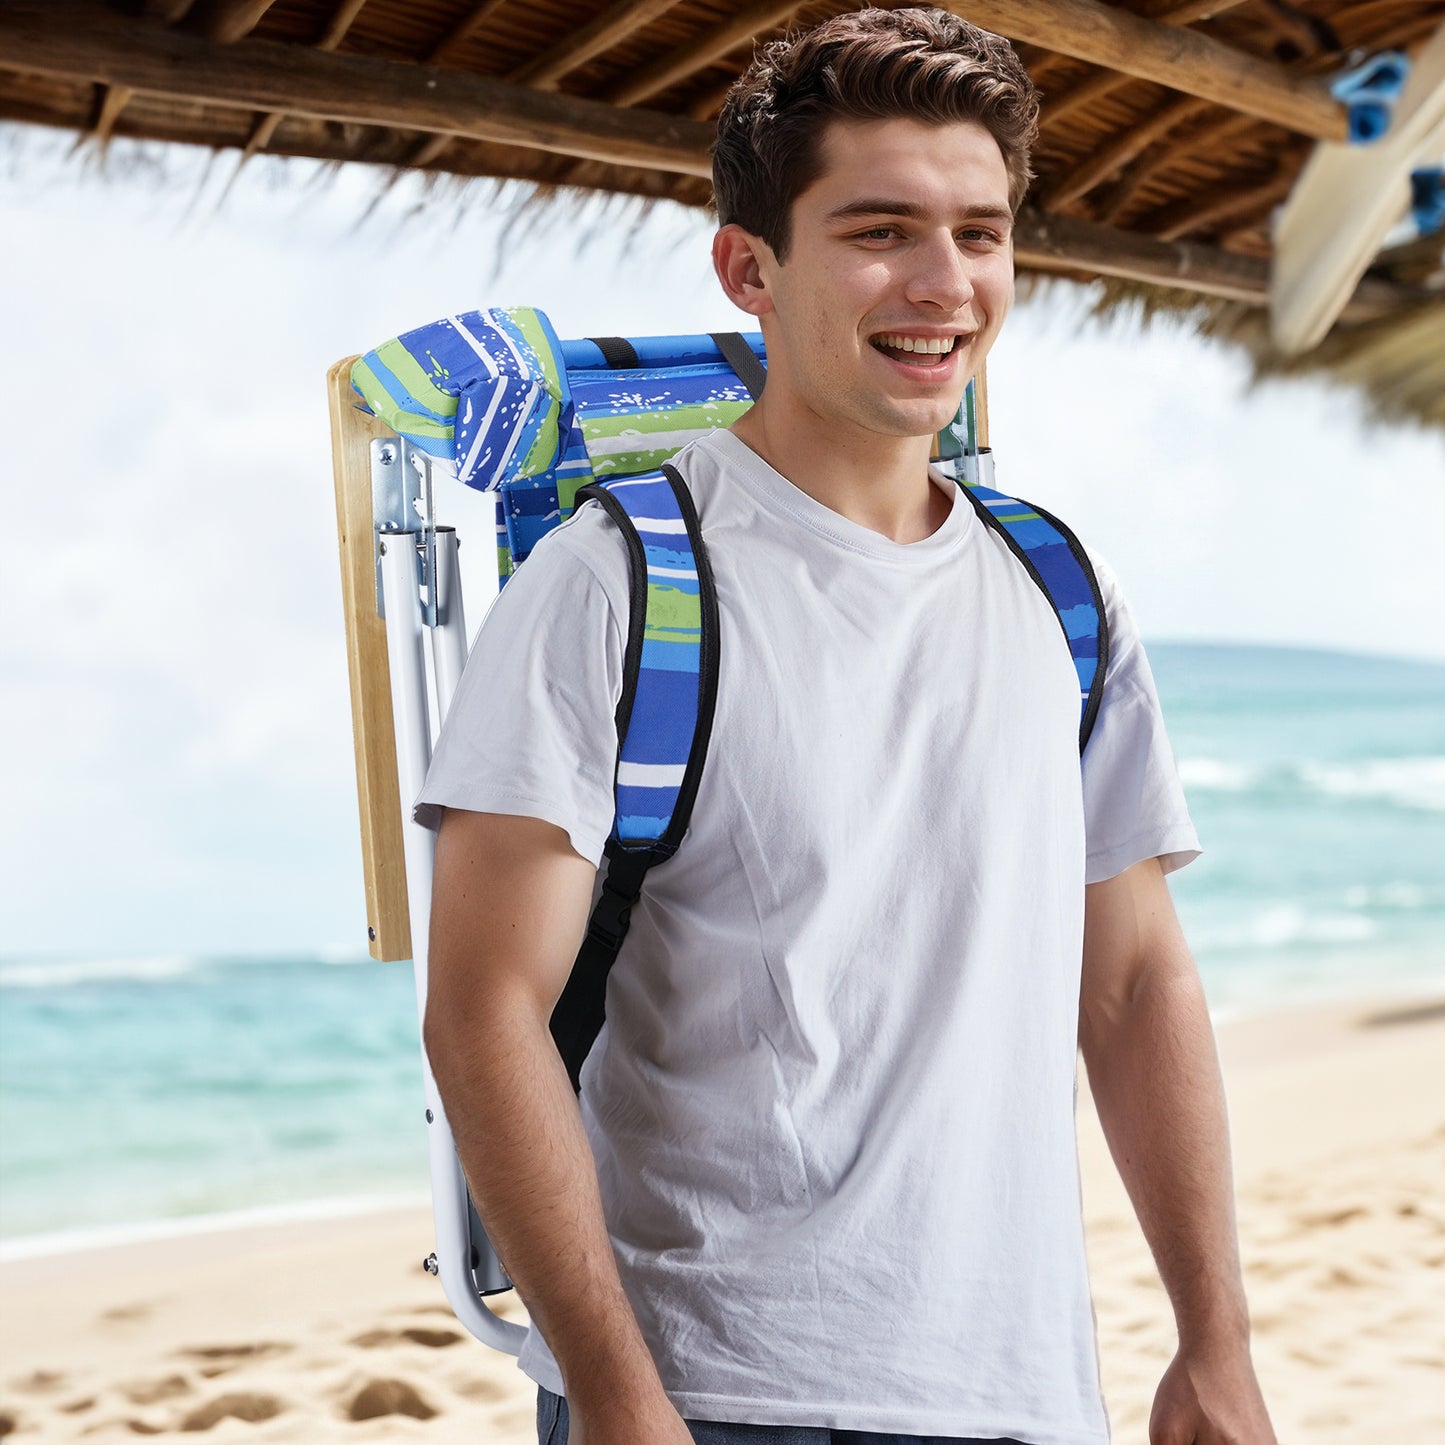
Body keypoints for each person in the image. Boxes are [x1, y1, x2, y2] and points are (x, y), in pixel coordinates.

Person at [419, 8, 1278, 1444]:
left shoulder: (1057, 587)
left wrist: (1215, 1338)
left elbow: (1133, 987)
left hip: (1022, 1388)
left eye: (980, 234)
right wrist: (619, 1399)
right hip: (717, 1393)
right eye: (880, 231)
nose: (943, 283)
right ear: (748, 269)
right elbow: (483, 1008)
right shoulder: (615, 583)